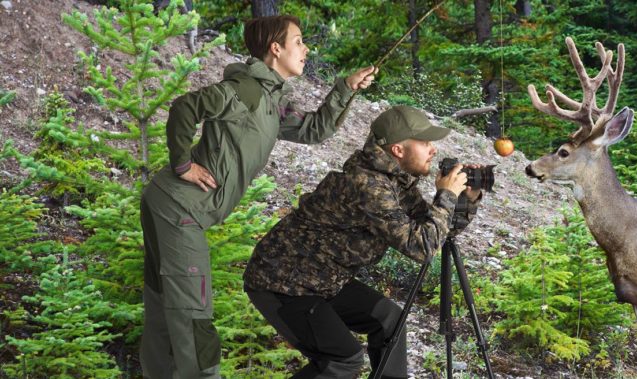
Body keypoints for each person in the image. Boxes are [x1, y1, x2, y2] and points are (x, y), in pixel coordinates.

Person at [140, 15, 377, 378]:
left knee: (163, 310)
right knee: (192, 316)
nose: (306, 48)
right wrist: (183, 165)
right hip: (179, 209)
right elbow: (185, 107)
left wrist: (345, 88)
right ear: (275, 48)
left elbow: (315, 130)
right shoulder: (246, 91)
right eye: (298, 41)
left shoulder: (270, 99)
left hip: (169, 206)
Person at [243, 105, 484, 379]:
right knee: (342, 360)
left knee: (390, 320)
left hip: (324, 279)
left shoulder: (394, 181)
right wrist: (446, 196)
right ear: (398, 150)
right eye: (425, 143)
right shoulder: (368, 185)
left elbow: (437, 232)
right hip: (283, 283)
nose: (433, 150)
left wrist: (466, 199)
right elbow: (421, 248)